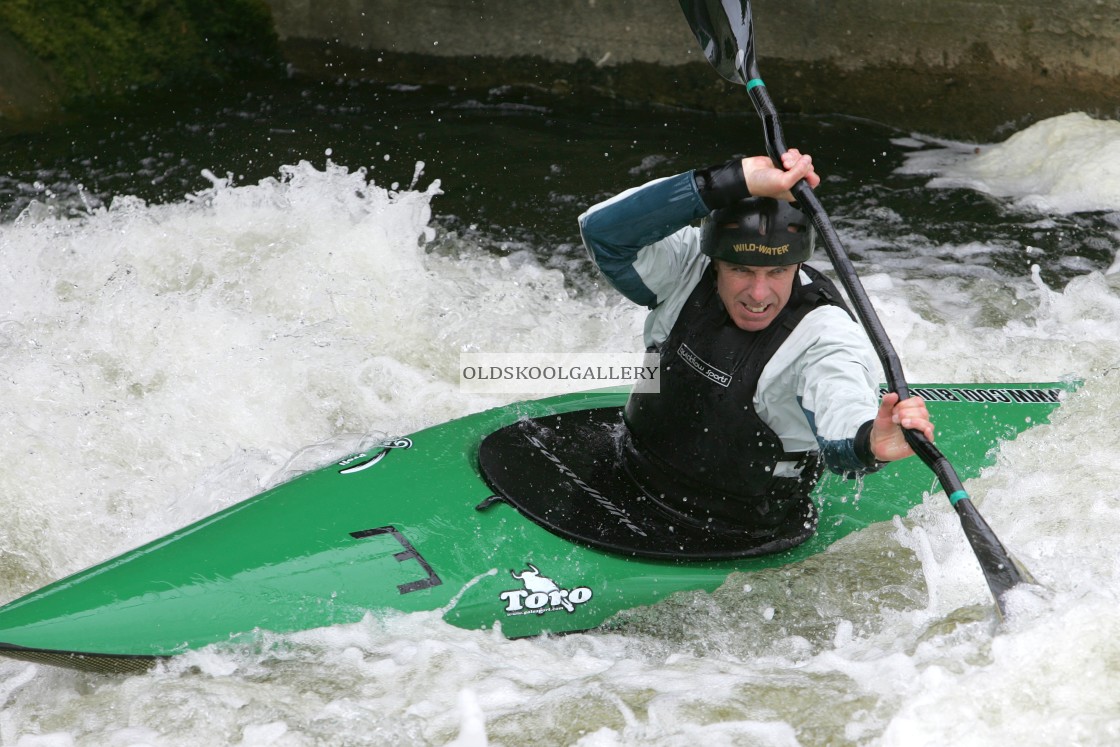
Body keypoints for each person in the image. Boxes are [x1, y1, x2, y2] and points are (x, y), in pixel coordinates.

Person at [578, 149, 934, 552]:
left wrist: (870, 442)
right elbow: (601, 232)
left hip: (733, 531)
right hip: (628, 468)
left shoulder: (824, 336)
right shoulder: (688, 267)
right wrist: (732, 180)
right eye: (741, 270)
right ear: (716, 263)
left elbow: (843, 407)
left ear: (797, 265)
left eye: (777, 272)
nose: (759, 295)